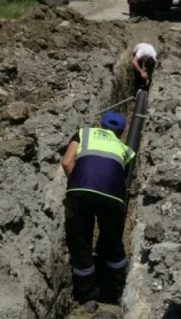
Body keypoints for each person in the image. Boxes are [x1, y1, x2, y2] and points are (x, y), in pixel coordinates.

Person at [60, 112, 136, 312]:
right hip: (113, 197)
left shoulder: (84, 133)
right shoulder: (125, 149)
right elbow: (123, 179)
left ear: (100, 125)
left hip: (80, 191)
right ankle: (118, 291)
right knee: (112, 242)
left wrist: (78, 183)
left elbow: (67, 161)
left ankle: (88, 297)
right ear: (121, 133)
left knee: (80, 242)